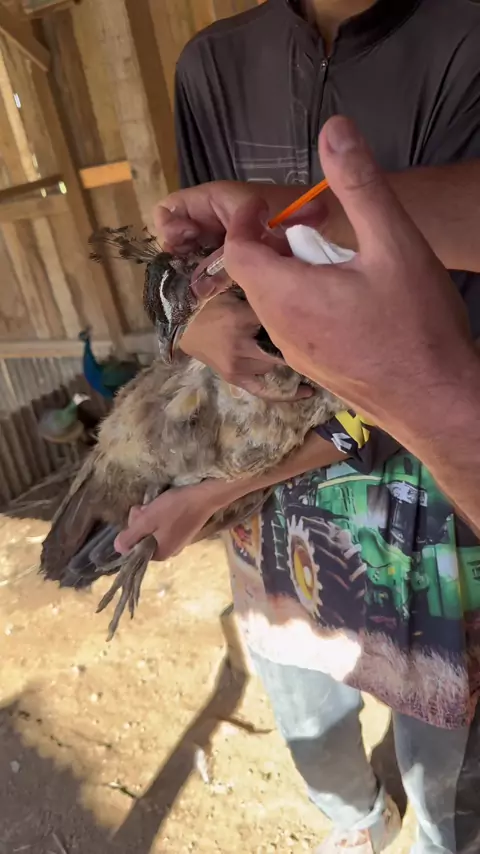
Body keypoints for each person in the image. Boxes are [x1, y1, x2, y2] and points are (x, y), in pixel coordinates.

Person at [120, 3, 480, 852]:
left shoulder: (465, 33)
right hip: (281, 495)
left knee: (444, 749)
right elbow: (187, 267)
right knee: (304, 701)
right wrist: (191, 317)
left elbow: (412, 381)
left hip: (425, 487)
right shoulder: (212, 63)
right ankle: (357, 819)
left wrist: (211, 493)